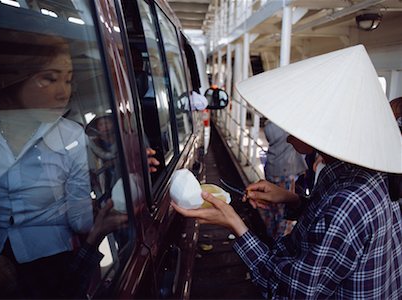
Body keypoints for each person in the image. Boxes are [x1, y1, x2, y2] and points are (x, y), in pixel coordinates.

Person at [172, 45, 402, 298]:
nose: (289, 138)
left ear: (323, 131)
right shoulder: (353, 171)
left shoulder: (348, 202)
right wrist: (291, 198)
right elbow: (335, 225)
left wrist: (236, 224)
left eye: (294, 126)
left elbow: (289, 291)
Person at [0, 35, 95, 298]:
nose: (64, 92)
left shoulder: (72, 137)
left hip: (51, 260)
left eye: (68, 79)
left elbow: (80, 220)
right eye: (49, 78)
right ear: (9, 78)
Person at [261, 120, 307, 238]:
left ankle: (269, 236)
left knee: (270, 207)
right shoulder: (289, 123)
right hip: (287, 169)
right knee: (284, 210)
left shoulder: (270, 124)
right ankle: (280, 241)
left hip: (271, 167)